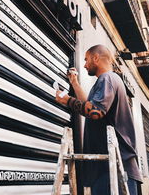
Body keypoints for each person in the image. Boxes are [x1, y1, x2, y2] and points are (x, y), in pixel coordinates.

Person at [55, 44, 142, 195]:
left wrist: (67, 100)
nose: (84, 64)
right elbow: (90, 106)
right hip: (109, 166)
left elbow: (95, 112)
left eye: (86, 60)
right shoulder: (111, 80)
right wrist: (74, 84)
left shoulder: (106, 79)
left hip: (115, 167)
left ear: (96, 58)